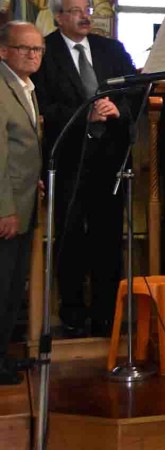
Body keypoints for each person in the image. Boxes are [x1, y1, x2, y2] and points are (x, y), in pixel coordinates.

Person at [31, 0, 137, 338]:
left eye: (87, 9)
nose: (85, 16)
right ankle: (73, 312)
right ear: (58, 17)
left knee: (108, 237)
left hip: (110, 159)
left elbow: (134, 90)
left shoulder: (111, 49)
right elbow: (42, 107)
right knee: (71, 236)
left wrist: (117, 109)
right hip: (68, 160)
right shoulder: (45, 52)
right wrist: (84, 114)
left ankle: (108, 314)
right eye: (75, 10)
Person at [0, 21, 43, 384]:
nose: (33, 55)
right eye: (24, 48)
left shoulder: (25, 86)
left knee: (14, 287)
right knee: (2, 287)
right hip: (8, 208)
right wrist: (5, 209)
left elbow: (22, 148)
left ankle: (3, 357)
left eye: (38, 49)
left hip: (25, 200)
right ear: (4, 51)